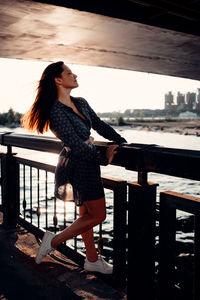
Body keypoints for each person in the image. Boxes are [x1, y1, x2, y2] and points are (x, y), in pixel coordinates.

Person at [21, 61, 127, 274]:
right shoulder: (55, 112)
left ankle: (92, 260)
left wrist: (122, 142)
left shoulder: (81, 102)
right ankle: (53, 241)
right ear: (58, 80)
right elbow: (76, 146)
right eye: (69, 73)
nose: (75, 75)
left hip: (88, 165)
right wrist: (104, 159)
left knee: (86, 213)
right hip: (76, 167)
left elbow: (99, 125)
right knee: (98, 215)